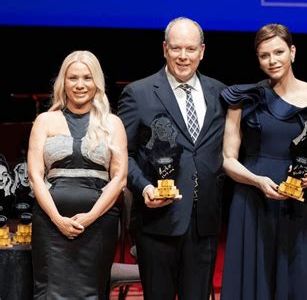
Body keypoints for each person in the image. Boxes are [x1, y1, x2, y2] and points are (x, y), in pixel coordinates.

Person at [220, 23, 307, 300]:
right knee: (252, 278)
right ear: (258, 60)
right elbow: (228, 160)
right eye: (264, 55)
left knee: (295, 277)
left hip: (295, 200)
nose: (272, 60)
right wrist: (257, 180)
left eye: (279, 52)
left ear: (292, 52)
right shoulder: (244, 97)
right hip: (252, 198)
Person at [117, 17, 227, 300]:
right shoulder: (138, 93)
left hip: (204, 221)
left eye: (190, 49)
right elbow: (122, 154)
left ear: (202, 51)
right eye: (176, 48)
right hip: (157, 221)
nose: (183, 56)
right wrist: (143, 187)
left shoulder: (220, 93)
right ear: (164, 48)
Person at [27, 50, 128, 299]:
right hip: (49, 226)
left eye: (87, 77)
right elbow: (35, 176)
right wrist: (57, 219)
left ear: (97, 83)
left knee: (91, 293)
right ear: (63, 82)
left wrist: (91, 217)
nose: (80, 85)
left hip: (98, 226)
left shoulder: (112, 123)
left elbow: (119, 179)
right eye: (73, 78)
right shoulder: (44, 121)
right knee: (50, 293)